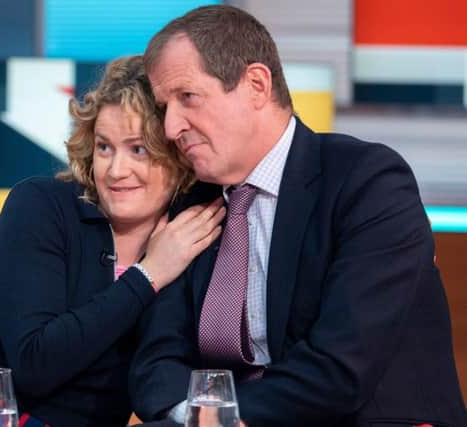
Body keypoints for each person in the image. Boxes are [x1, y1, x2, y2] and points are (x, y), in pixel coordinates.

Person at [130, 5, 467, 427]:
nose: (170, 126)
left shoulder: (368, 182)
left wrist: (217, 418)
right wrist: (196, 418)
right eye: (164, 107)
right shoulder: (192, 204)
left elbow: (339, 369)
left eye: (187, 98)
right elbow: (155, 365)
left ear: (256, 84)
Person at [0, 55, 225, 427]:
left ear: (177, 156)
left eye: (138, 149)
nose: (116, 170)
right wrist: (148, 274)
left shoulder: (195, 235)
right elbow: (35, 363)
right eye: (104, 147)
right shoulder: (42, 205)